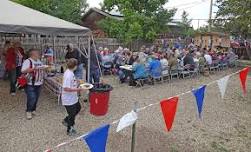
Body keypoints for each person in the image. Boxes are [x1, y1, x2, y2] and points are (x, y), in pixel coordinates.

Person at [61, 58, 85, 136]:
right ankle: (69, 130)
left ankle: (66, 120)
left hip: (73, 98)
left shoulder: (70, 72)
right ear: (75, 66)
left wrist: (77, 81)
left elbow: (71, 82)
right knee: (72, 115)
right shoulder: (68, 75)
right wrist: (78, 89)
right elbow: (66, 88)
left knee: (78, 108)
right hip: (68, 99)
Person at [21, 49, 46, 120]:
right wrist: (33, 69)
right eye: (38, 53)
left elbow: (41, 69)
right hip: (30, 83)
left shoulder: (39, 61)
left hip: (39, 83)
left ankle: (33, 110)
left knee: (36, 98)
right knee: (32, 98)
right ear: (33, 54)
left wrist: (44, 68)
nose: (39, 54)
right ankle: (28, 111)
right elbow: (23, 71)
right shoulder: (27, 61)